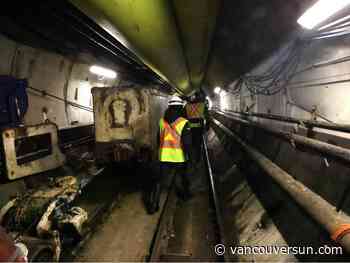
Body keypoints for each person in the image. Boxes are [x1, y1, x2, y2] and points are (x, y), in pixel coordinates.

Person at [147, 95, 194, 214]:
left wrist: (160, 152)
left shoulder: (161, 122)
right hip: (179, 158)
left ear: (169, 107)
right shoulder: (184, 123)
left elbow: (159, 139)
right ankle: (186, 196)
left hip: (164, 157)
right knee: (184, 177)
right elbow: (187, 143)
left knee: (159, 181)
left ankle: (154, 205)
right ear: (180, 107)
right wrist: (191, 157)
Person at [185, 89, 209, 162]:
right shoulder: (202, 105)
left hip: (190, 128)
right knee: (198, 144)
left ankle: (190, 159)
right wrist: (207, 127)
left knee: (191, 144)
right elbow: (207, 117)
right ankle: (197, 160)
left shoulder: (188, 105)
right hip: (199, 128)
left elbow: (184, 116)